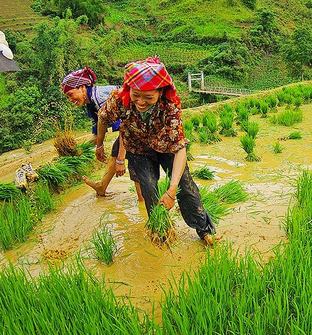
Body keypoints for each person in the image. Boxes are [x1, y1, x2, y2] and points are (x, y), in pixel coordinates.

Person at [95, 57, 217, 245]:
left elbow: (180, 148)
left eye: (148, 97)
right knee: (149, 187)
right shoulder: (119, 99)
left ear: (160, 92)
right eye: (136, 95)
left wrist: (171, 190)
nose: (140, 102)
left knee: (186, 186)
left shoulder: (170, 105)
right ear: (129, 89)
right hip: (138, 149)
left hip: (166, 147)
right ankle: (160, 229)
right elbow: (103, 118)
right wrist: (100, 145)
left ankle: (205, 230)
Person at [61, 67, 143, 201]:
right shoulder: (90, 104)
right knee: (116, 150)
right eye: (67, 97)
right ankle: (102, 186)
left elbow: (125, 128)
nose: (70, 99)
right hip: (131, 126)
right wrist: (78, 150)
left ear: (82, 88)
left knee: (135, 158)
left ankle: (143, 202)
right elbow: (97, 133)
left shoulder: (99, 98)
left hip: (139, 123)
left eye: (70, 94)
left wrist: (121, 159)